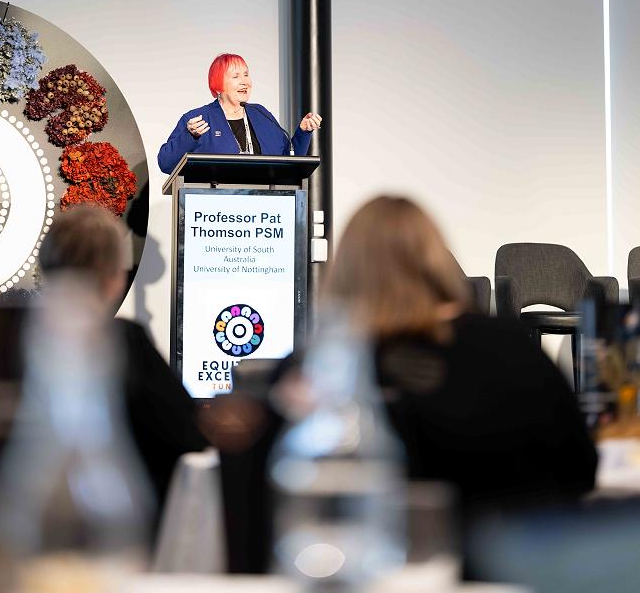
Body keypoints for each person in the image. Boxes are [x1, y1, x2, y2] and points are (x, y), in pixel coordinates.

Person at [324, 196, 597, 511]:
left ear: (346, 268)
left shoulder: (322, 368)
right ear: (437, 261)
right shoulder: (513, 346)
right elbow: (581, 467)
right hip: (521, 536)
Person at [38, 205, 207, 512]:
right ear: (112, 276)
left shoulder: (12, 340)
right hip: (125, 518)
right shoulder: (124, 342)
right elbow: (188, 434)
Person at [157, 53, 321, 174]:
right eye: (236, 76)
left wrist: (303, 132)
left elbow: (289, 162)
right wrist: (189, 136)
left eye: (246, 75)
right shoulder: (199, 119)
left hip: (263, 205)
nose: (245, 82)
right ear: (218, 85)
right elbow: (166, 163)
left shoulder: (261, 114)